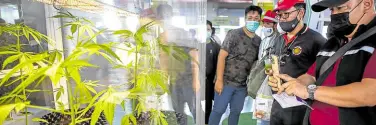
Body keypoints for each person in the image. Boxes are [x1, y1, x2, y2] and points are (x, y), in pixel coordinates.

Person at [269, 0, 376, 125]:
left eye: (340, 8)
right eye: (331, 10)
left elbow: (370, 93)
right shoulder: (332, 43)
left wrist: (310, 91)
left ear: (367, 4)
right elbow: (311, 75)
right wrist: (294, 83)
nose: (334, 14)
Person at [266, 0, 326, 125]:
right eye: (279, 15)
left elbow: (324, 74)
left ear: (301, 13)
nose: (281, 19)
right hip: (278, 101)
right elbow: (272, 62)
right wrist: (270, 73)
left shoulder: (317, 40)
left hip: (300, 106)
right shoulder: (277, 39)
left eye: (286, 14)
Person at [209, 5, 262, 125]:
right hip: (226, 82)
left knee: (236, 112)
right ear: (245, 19)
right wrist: (219, 80)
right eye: (250, 17)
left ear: (260, 20)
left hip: (242, 86)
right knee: (218, 110)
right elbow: (221, 56)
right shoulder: (234, 34)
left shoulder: (258, 41)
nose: (253, 21)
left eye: (256, 18)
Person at [156, 4, 200, 125]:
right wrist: (164, 82)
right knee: (179, 112)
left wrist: (196, 80)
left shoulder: (182, 33)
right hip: (174, 82)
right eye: (161, 16)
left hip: (188, 79)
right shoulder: (161, 37)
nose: (164, 18)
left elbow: (194, 55)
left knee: (195, 111)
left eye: (166, 15)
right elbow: (163, 61)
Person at [205, 20, 221, 125]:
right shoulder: (193, 44)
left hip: (209, 81)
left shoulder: (215, 46)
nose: (206, 31)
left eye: (208, 29)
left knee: (208, 105)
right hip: (194, 80)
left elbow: (218, 64)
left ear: (211, 30)